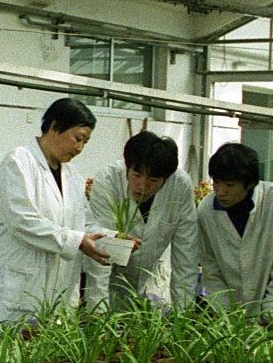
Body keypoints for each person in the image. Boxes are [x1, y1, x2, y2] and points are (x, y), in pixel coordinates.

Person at [0, 97, 111, 324]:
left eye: (85, 142)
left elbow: (84, 223)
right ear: (55, 127)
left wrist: (113, 240)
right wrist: (76, 240)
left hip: (58, 291)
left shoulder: (72, 176)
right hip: (15, 290)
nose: (79, 148)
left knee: (49, 358)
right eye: (78, 138)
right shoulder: (18, 162)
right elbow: (22, 221)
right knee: (6, 355)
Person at [84, 131, 198, 311]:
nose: (143, 186)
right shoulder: (108, 180)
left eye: (153, 180)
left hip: (154, 277)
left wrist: (183, 316)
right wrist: (97, 312)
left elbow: (186, 254)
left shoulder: (180, 185)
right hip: (114, 279)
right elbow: (101, 249)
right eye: (137, 175)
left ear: (166, 179)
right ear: (127, 168)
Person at [195, 142, 273, 316]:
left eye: (229, 185)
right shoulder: (207, 209)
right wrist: (228, 314)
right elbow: (210, 267)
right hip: (232, 314)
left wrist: (271, 312)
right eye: (216, 183)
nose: (220, 191)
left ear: (249, 184)